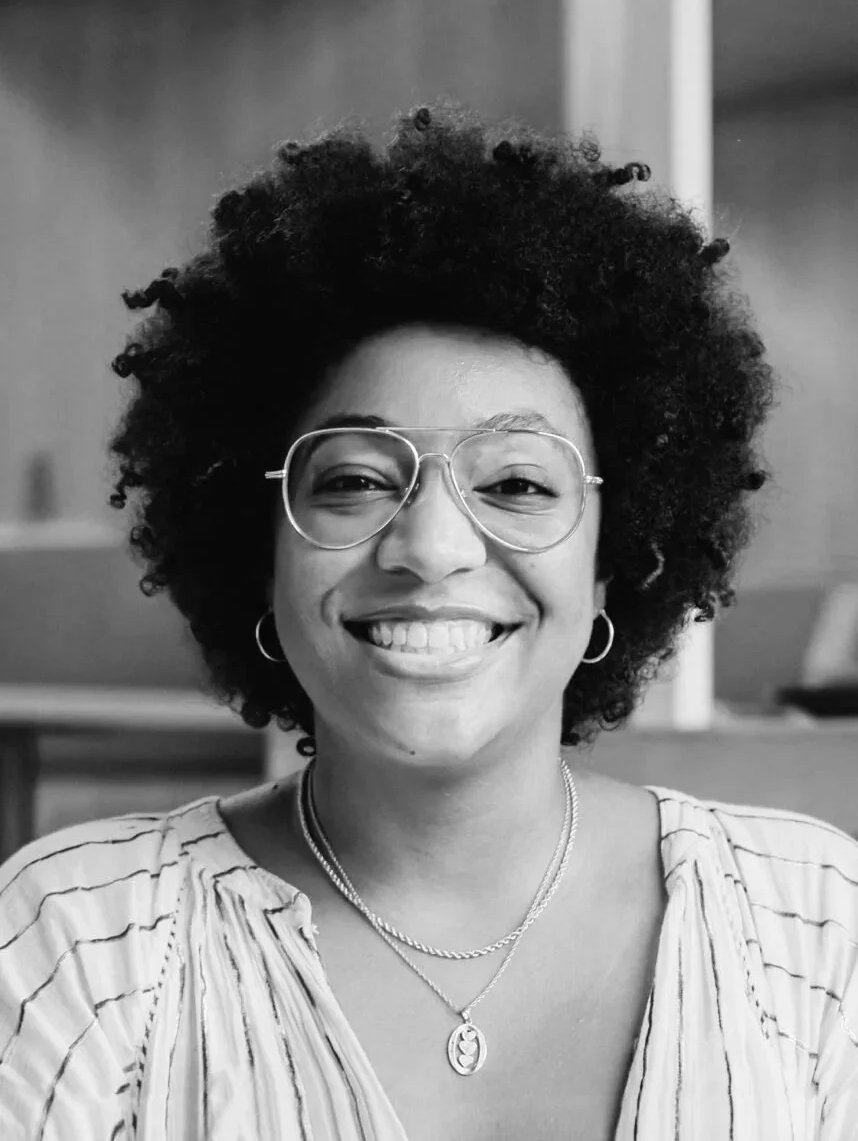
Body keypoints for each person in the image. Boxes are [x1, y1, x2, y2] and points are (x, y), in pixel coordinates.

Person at [0, 100, 855, 1140]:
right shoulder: (76, 945)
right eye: (358, 479)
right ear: (259, 549)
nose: (434, 548)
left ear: (611, 570)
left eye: (521, 485)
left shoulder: (813, 926)